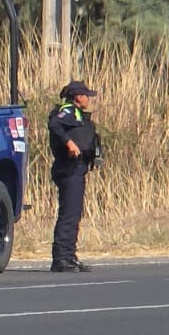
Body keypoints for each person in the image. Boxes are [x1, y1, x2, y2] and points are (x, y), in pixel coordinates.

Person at [48, 79, 99, 273]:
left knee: (74, 214)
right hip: (68, 168)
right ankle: (61, 259)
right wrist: (69, 143)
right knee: (69, 215)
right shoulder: (67, 111)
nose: (88, 99)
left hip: (77, 169)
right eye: (86, 96)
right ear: (78, 97)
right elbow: (54, 124)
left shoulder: (76, 114)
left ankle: (70, 257)